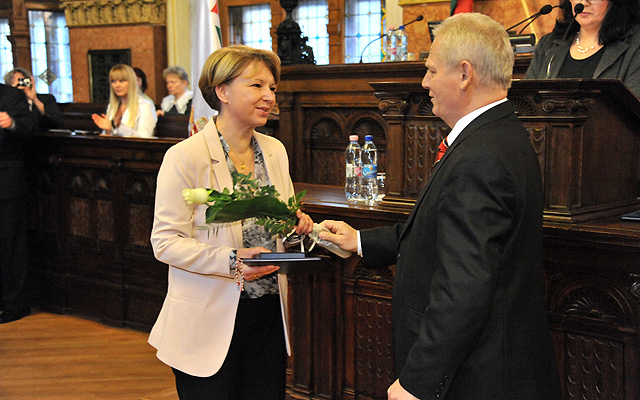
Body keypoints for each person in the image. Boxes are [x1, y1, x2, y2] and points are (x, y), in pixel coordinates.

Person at [320, 13, 561, 400]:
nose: (424, 82)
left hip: (476, 374)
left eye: (431, 70)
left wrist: (418, 380)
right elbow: (441, 233)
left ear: (464, 74)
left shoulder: (480, 156)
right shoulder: (500, 135)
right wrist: (361, 241)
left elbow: (465, 286)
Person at [148, 45, 314, 400]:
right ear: (222, 91)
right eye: (256, 86)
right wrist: (230, 261)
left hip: (268, 312)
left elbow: (277, 226)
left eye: (272, 87)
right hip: (207, 318)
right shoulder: (184, 157)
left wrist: (296, 224)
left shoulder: (274, 150)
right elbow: (165, 242)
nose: (269, 96)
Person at [525, 0, 640, 97]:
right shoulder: (548, 44)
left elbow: (632, 111)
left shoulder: (635, 44)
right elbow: (527, 101)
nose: (584, 2)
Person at [0, 83, 34, 324]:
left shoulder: (11, 95)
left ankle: (16, 305)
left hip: (6, 182)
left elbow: (30, 128)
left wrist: (11, 123)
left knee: (11, 246)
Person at [91, 64, 157, 138]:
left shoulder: (145, 105)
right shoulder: (112, 106)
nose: (117, 85)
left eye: (122, 81)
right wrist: (108, 130)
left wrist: (120, 128)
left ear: (131, 82)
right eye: (113, 81)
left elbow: (145, 137)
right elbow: (108, 137)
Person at [4, 67, 65, 132]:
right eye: (17, 83)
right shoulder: (8, 104)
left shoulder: (46, 99)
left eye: (23, 81)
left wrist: (35, 99)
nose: (22, 86)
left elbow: (57, 124)